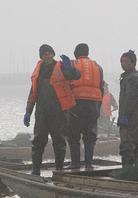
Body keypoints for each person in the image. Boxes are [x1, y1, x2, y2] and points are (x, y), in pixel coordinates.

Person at [24, 44, 81, 175]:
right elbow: (33, 92)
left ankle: (59, 169)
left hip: (59, 110)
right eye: (44, 54)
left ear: (53, 54)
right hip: (42, 111)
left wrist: (71, 68)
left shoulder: (61, 67)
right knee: (38, 141)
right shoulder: (38, 71)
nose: (47, 56)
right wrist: (28, 111)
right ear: (41, 56)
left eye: (50, 53)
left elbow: (77, 76)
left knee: (59, 140)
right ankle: (35, 170)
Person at [65, 43, 104, 171]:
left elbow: (66, 84)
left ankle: (75, 163)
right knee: (90, 134)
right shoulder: (98, 67)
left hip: (77, 102)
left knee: (74, 134)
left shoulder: (72, 64)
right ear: (87, 53)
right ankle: (88, 163)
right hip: (93, 102)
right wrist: (98, 104)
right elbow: (101, 86)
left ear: (75, 53)